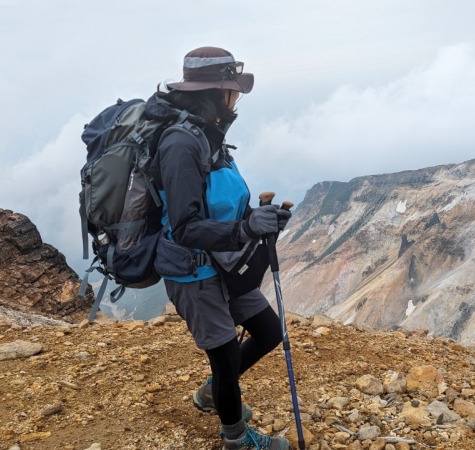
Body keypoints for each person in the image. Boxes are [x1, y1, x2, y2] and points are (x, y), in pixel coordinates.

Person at [147, 46, 291, 450]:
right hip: (193, 271)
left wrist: (261, 220)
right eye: (233, 91)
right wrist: (245, 229)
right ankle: (236, 440)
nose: (237, 99)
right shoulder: (180, 143)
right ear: (215, 92)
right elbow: (185, 226)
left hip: (225, 260)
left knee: (267, 331)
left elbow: (221, 201)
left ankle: (214, 392)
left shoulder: (207, 133)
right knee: (226, 358)